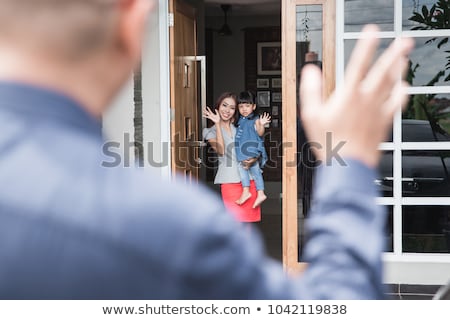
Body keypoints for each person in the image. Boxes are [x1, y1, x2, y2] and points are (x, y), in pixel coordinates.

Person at [0, 0, 414, 299]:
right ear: (133, 23)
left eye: (238, 106)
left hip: (245, 173)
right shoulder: (168, 222)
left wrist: (250, 135)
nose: (235, 109)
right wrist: (353, 163)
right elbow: (337, 304)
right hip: (231, 177)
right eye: (231, 106)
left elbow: (249, 145)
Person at [202, 92, 262, 223]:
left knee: (248, 225)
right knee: (234, 224)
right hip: (229, 181)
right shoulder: (209, 131)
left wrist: (255, 157)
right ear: (218, 106)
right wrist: (217, 124)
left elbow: (255, 143)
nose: (227, 110)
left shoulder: (241, 126)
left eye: (232, 108)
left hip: (249, 179)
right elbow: (221, 150)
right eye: (224, 105)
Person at [234, 91, 270, 208]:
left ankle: (246, 191)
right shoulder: (241, 120)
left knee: (243, 168)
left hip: (250, 150)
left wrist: (261, 124)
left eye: (247, 106)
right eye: (241, 106)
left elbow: (260, 133)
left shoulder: (255, 120)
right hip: (245, 150)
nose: (244, 109)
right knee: (255, 172)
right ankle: (260, 193)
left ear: (254, 106)